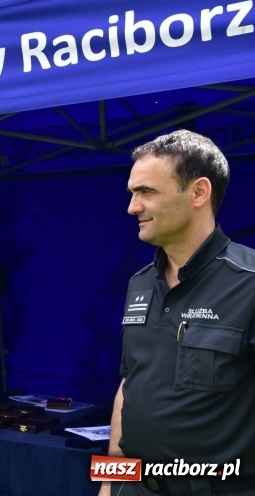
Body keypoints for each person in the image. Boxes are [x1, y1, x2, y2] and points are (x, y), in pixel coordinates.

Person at [101, 130, 255, 496]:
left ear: (199, 192)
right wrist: (110, 482)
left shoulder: (248, 282)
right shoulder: (140, 283)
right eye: (133, 193)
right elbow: (129, 384)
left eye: (146, 192)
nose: (132, 207)